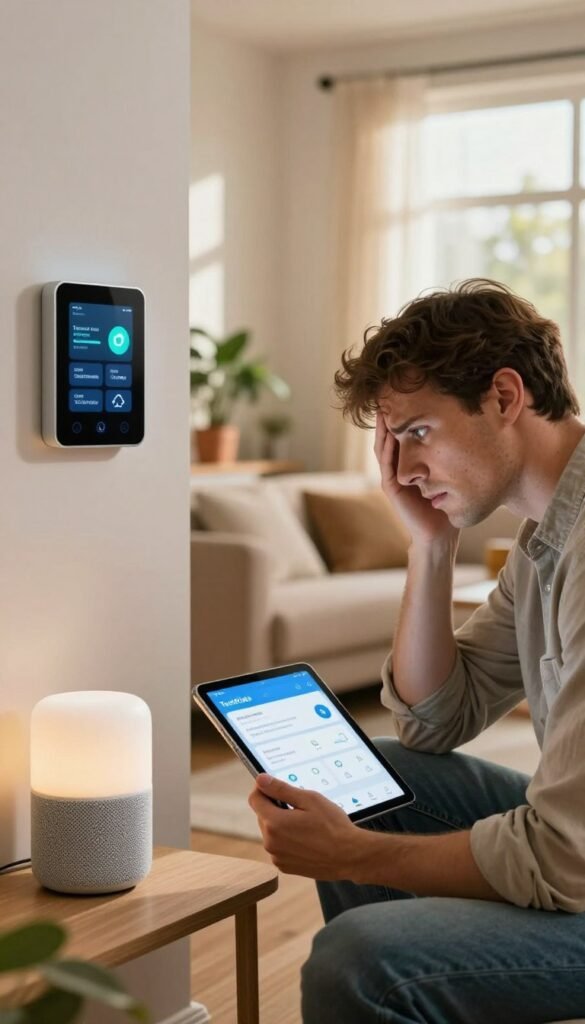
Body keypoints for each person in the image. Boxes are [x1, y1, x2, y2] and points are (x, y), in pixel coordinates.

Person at [248, 279, 585, 1023]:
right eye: (391, 444)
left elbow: (566, 861)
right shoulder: (545, 540)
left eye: (419, 433)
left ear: (504, 397)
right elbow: (433, 721)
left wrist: (351, 855)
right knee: (375, 779)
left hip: (578, 859)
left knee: (362, 960)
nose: (400, 471)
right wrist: (430, 547)